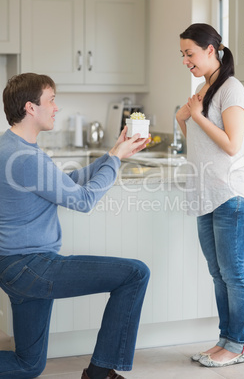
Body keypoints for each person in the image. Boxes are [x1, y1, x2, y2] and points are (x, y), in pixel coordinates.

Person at [0, 73, 151, 379]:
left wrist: (112, 155)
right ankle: (99, 374)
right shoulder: (25, 157)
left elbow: (64, 184)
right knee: (135, 273)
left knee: (29, 365)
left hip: (15, 266)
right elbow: (83, 200)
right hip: (31, 266)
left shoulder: (13, 146)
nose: (56, 107)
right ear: (31, 107)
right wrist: (116, 160)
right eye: (51, 99)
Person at [176, 23, 244, 368]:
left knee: (233, 272)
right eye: (182, 54)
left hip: (231, 194)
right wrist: (184, 120)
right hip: (206, 194)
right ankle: (224, 340)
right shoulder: (203, 87)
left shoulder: (232, 88)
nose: (185, 60)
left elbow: (230, 145)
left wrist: (194, 114)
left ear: (210, 50)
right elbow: (198, 142)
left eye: (190, 53)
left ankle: (237, 344)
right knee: (218, 272)